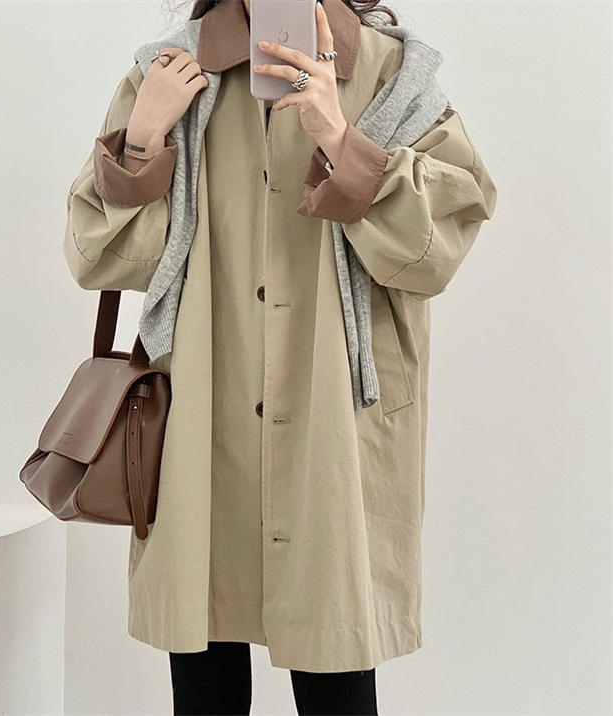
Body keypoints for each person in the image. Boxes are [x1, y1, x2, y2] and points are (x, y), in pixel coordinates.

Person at [63, 0, 497, 712]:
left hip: (335, 415)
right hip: (203, 412)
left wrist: (337, 132)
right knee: (204, 670)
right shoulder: (170, 73)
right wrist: (143, 138)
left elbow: (435, 249)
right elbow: (102, 257)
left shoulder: (391, 73)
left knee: (336, 664)